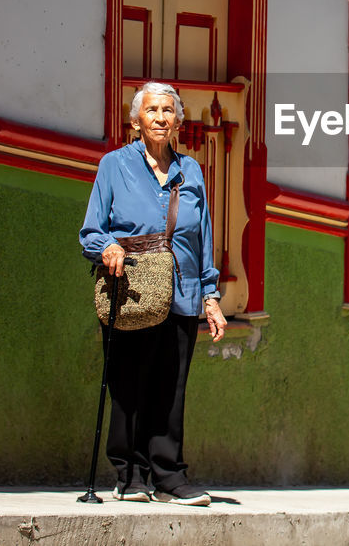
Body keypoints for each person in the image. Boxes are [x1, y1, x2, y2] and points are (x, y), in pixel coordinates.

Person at [79, 81, 227, 506]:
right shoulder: (114, 165)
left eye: (168, 111)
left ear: (178, 120)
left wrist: (210, 296)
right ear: (135, 121)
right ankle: (129, 474)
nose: (161, 117)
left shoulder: (191, 170)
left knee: (170, 387)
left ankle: (169, 476)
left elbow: (202, 237)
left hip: (182, 292)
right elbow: (91, 228)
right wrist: (106, 245)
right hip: (134, 288)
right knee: (130, 384)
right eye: (152, 111)